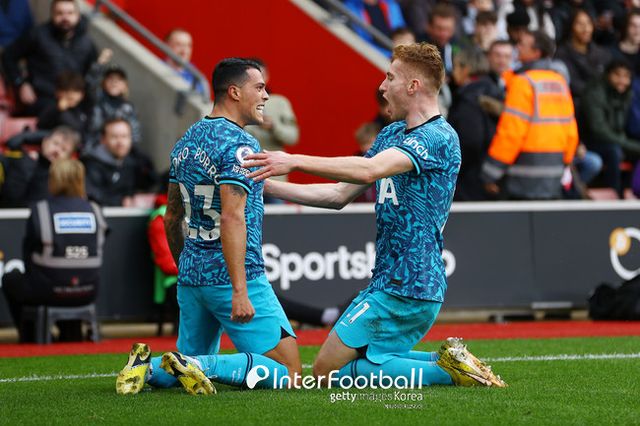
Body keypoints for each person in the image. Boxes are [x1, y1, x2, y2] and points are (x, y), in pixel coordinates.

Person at [243, 43, 505, 388]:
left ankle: (445, 372)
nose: (382, 87)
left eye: (390, 77)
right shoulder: (392, 133)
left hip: (412, 282)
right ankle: (448, 363)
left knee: (325, 372)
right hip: (388, 278)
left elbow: (369, 170)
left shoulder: (439, 137)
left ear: (413, 86)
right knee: (350, 366)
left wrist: (293, 160)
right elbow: (338, 195)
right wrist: (264, 185)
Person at [116, 58, 301, 396]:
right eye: (259, 88)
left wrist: (186, 269)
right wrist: (240, 291)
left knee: (183, 363)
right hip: (234, 277)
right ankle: (204, 367)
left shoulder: (186, 140)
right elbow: (232, 217)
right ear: (234, 92)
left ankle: (146, 367)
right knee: (289, 371)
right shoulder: (240, 145)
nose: (266, 96)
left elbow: (172, 217)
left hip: (192, 277)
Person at [1, 158, 107, 342]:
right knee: (67, 276)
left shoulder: (41, 210)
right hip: (88, 291)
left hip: (48, 291)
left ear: (52, 181)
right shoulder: (95, 210)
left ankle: (32, 335)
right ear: (81, 180)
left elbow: (28, 254)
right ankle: (71, 333)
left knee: (11, 278)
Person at [481, 30, 579, 200]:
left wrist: (490, 173)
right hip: (554, 175)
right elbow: (570, 130)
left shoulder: (523, 82)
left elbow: (512, 133)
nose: (517, 47)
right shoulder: (559, 82)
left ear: (536, 52)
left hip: (523, 177)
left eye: (522, 44)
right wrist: (565, 162)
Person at [1, 0, 98, 115]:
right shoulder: (38, 35)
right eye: (60, 13)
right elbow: (8, 56)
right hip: (40, 99)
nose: (65, 18)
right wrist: (20, 84)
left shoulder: (87, 44)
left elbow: (91, 76)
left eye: (70, 13)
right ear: (52, 14)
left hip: (73, 103)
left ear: (78, 15)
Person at [580, 59, 639, 198]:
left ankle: (632, 192)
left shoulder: (628, 94)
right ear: (608, 75)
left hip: (617, 140)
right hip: (591, 142)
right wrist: (628, 144)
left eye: (626, 76)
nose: (622, 80)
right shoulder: (595, 92)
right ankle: (615, 196)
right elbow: (598, 129)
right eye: (617, 75)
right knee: (614, 151)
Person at [245, 58, 299, 203]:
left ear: (267, 76)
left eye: (261, 75)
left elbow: (293, 137)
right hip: (245, 177)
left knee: (278, 215)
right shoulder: (237, 102)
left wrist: (274, 128)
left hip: (275, 178)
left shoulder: (279, 103)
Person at [1, 126, 79, 207]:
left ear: (69, 156)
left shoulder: (67, 177)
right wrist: (26, 167)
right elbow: (10, 198)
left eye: (64, 149)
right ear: (44, 141)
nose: (57, 151)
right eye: (55, 144)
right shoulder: (23, 161)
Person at [82, 118, 138, 207]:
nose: (120, 142)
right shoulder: (91, 165)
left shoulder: (133, 163)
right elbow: (93, 195)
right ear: (103, 139)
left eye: (124, 136)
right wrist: (121, 202)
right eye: (114, 137)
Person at [86, 64, 142, 149]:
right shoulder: (96, 99)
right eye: (110, 78)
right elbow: (90, 82)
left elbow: (135, 136)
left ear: (125, 86)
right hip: (94, 148)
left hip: (118, 150)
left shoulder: (128, 108)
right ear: (104, 82)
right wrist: (100, 64)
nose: (114, 82)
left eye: (119, 79)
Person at [164, 28, 205, 96]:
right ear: (167, 46)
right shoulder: (156, 68)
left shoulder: (197, 78)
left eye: (188, 46)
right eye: (179, 45)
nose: (184, 51)